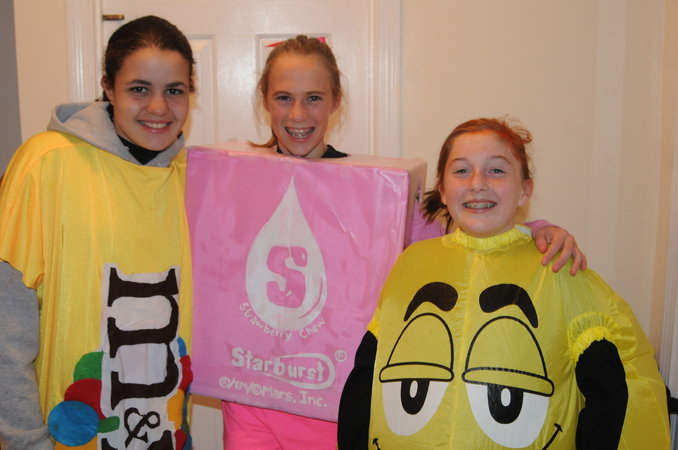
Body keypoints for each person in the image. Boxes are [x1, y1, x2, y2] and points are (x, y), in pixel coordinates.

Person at [221, 36, 587, 449]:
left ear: (336, 101)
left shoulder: (376, 190)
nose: (298, 114)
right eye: (284, 97)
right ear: (265, 101)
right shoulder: (233, 180)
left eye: (314, 98)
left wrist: (537, 230)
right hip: (251, 399)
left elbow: (470, 231)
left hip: (331, 401)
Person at [337, 118, 670, 449]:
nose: (477, 183)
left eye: (496, 170)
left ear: (525, 189)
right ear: (443, 189)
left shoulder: (556, 268)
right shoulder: (411, 263)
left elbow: (609, 389)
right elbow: (369, 371)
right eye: (461, 170)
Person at [0, 16, 195, 449]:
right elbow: (6, 325)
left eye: (175, 90)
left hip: (167, 433)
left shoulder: (189, 178)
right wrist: (26, 442)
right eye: (139, 89)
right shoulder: (46, 164)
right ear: (108, 87)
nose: (159, 107)